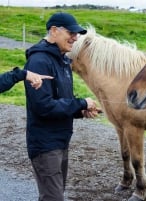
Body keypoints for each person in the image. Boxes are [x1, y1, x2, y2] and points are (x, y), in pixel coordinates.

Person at [24, 12, 99, 201]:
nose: (75, 38)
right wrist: (81, 102)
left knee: (54, 195)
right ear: (54, 30)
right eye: (71, 32)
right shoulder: (39, 61)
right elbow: (43, 106)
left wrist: (80, 111)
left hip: (61, 140)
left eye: (77, 34)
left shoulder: (63, 61)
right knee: (53, 197)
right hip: (45, 144)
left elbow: (60, 99)